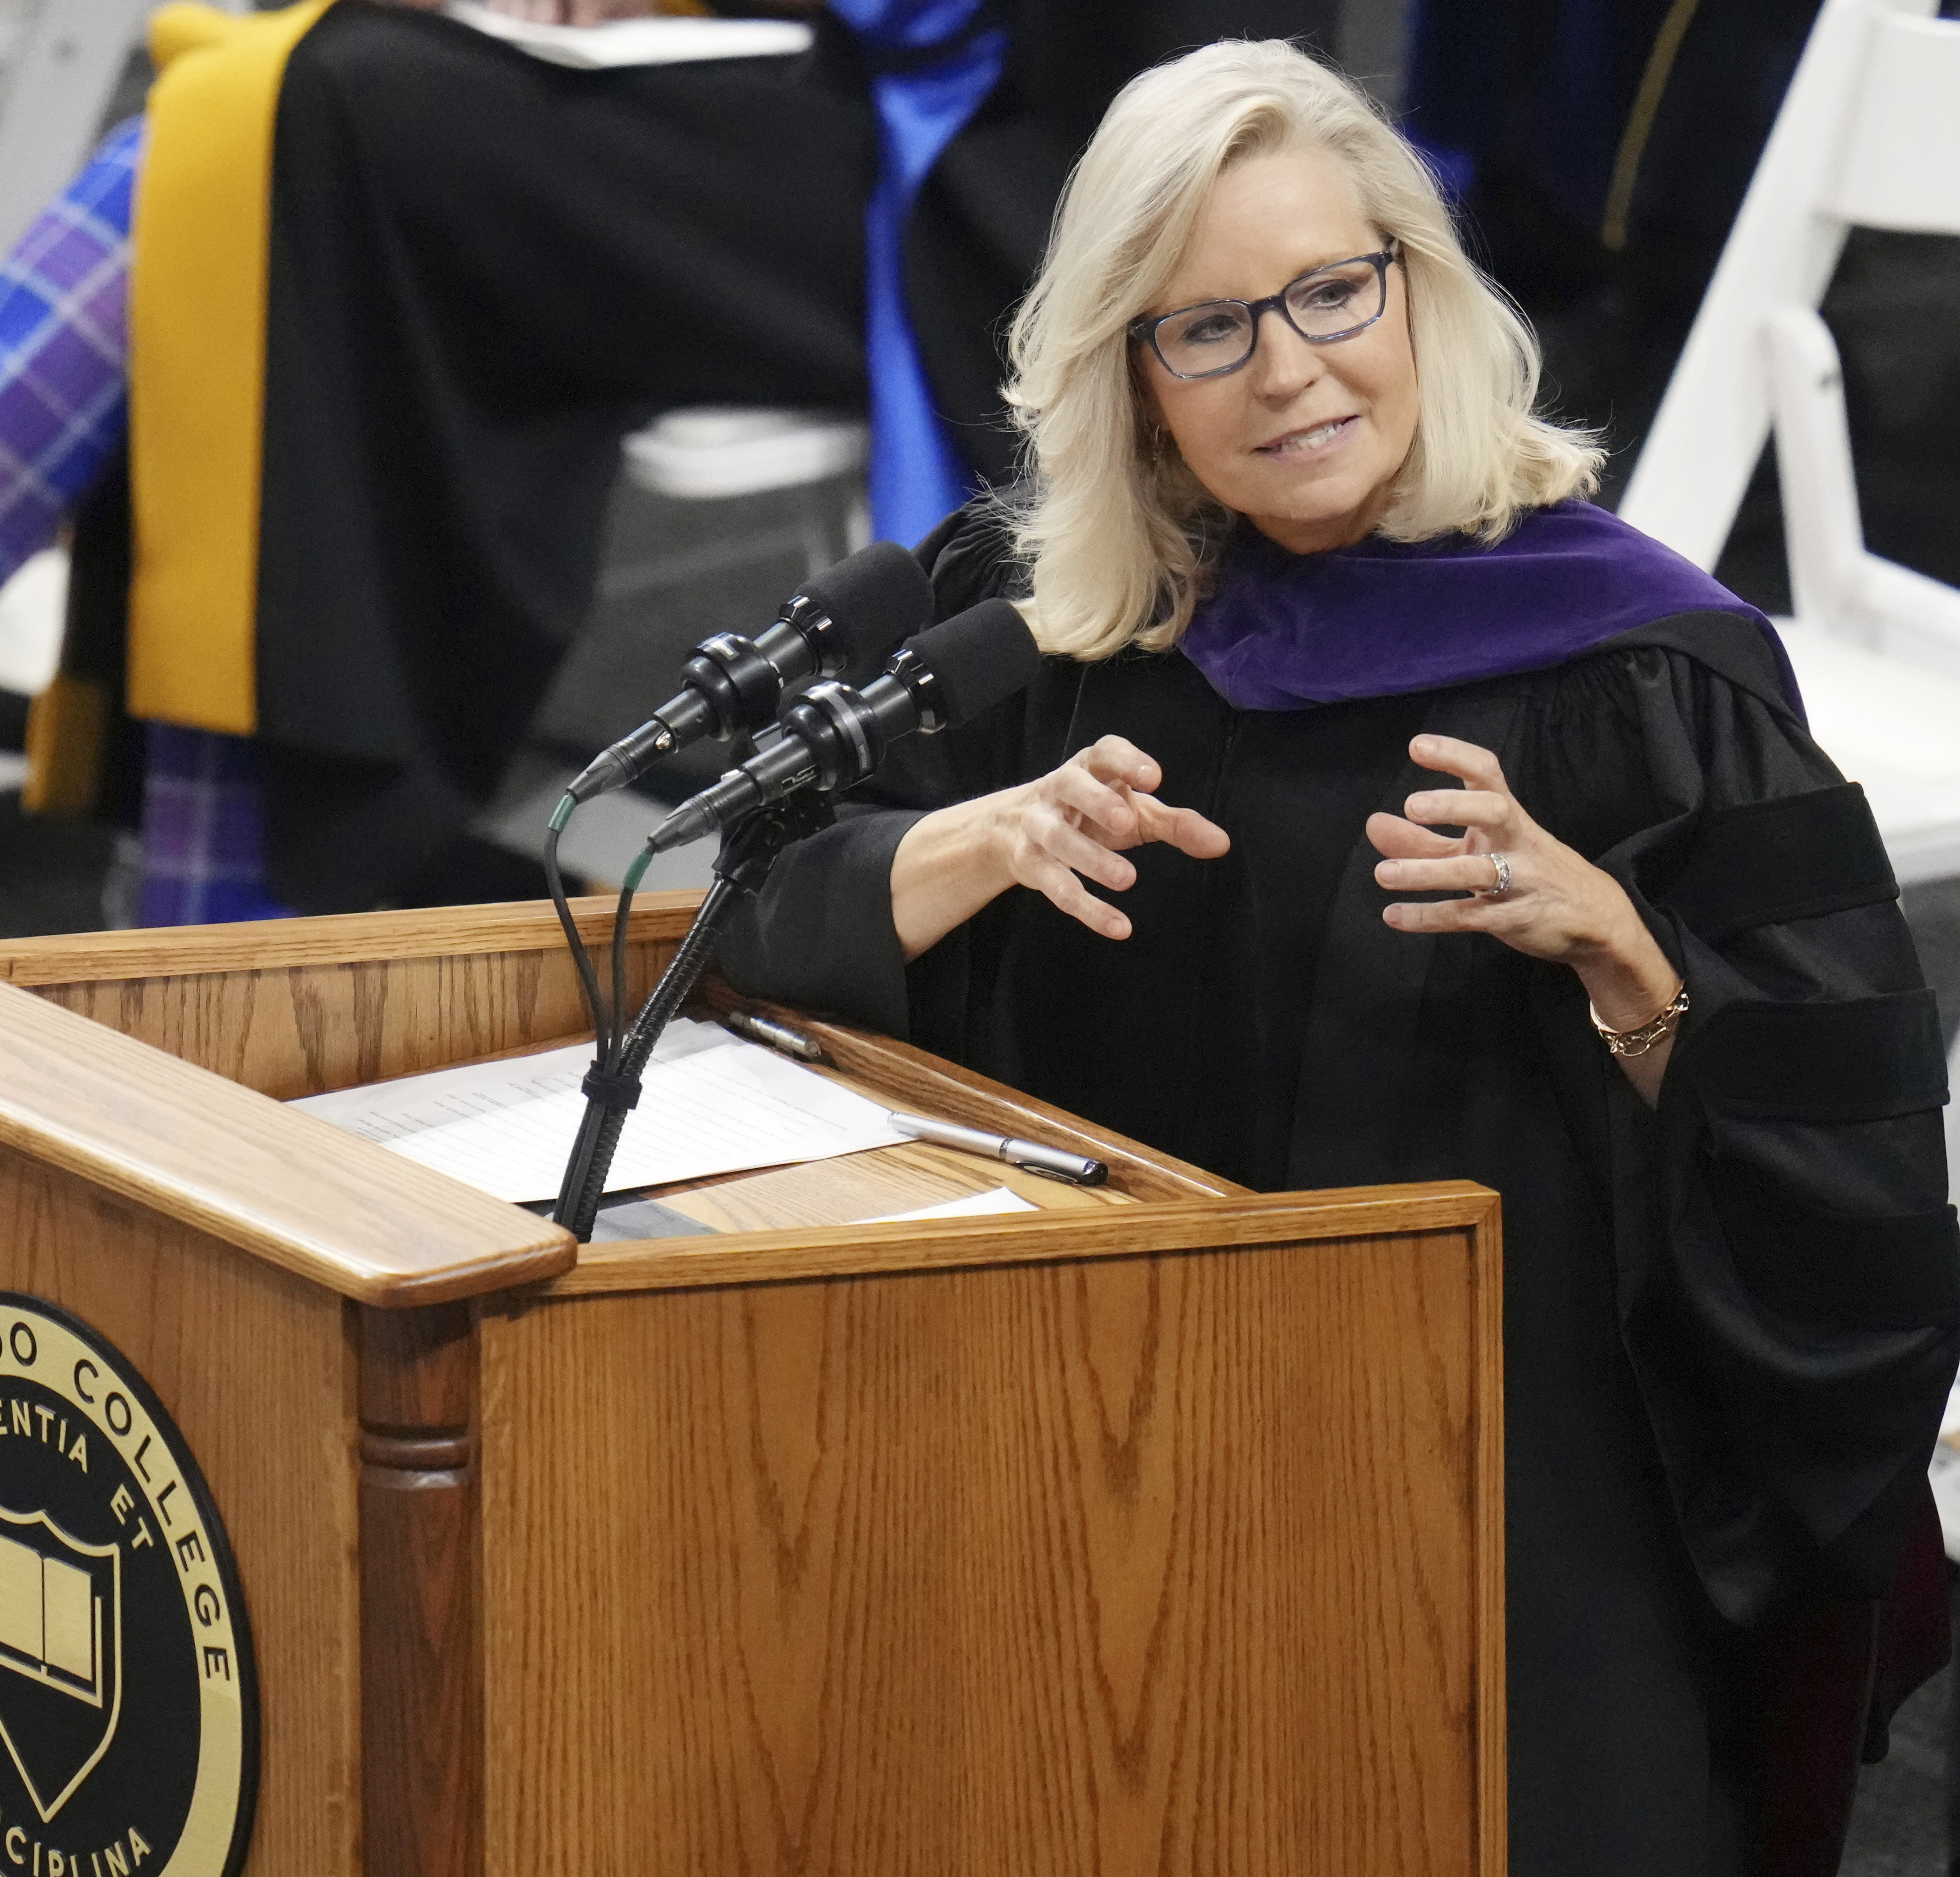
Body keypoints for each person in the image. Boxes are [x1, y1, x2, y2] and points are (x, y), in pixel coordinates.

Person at [719, 40, 1958, 1876]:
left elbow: (1857, 1213)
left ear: (1416, 288)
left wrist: (1632, 969)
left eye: (1326, 292)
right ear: (1128, 376)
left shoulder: (1641, 678)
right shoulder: (1049, 634)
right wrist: (965, 841)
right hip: (1087, 1470)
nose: (1288, 369)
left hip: (1508, 1525)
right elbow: (725, 921)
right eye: (1204, 327)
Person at [0, 0, 1338, 924]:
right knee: (265, 120)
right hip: (788, 65)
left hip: (1036, 153)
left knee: (286, 131)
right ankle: (202, 893)